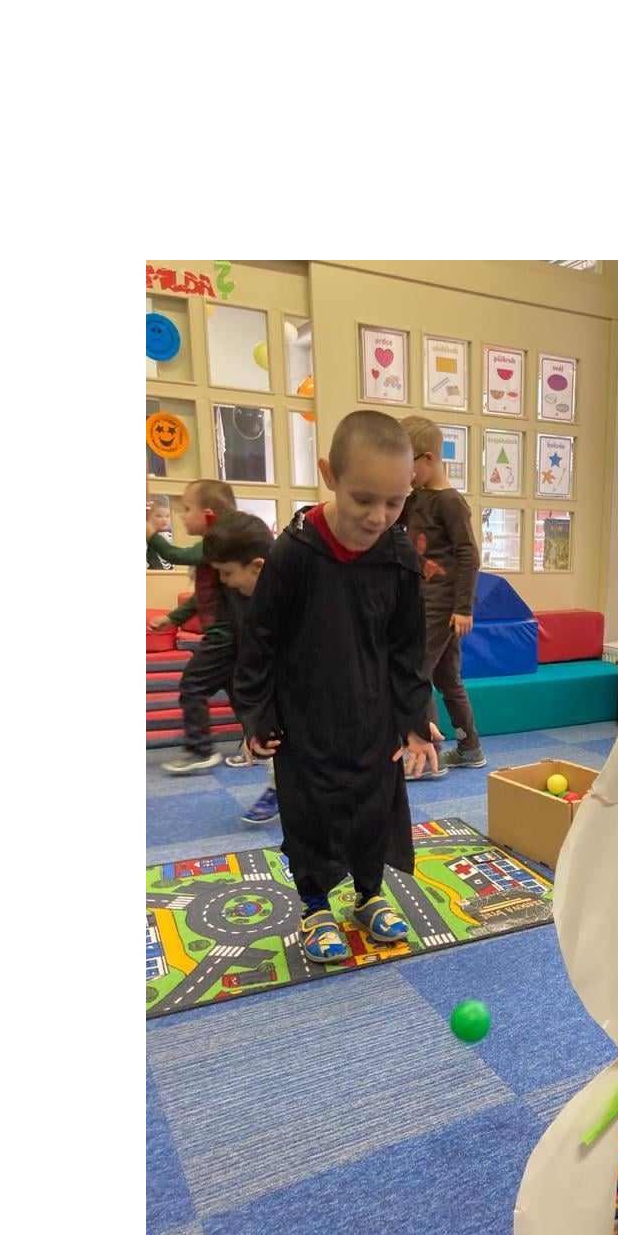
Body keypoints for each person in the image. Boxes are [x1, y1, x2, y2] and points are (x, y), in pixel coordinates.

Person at [234, 410, 439, 963]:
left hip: (373, 715)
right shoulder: (294, 553)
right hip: (304, 717)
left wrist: (413, 720)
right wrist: (256, 715)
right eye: (363, 499)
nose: (378, 517)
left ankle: (369, 893)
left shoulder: (398, 555)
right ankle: (315, 904)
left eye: (394, 502)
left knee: (375, 806)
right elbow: (259, 641)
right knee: (312, 811)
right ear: (329, 475)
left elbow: (408, 648)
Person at [398, 416, 485, 778]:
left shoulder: (450, 502)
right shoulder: (416, 498)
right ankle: (470, 747)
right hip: (423, 599)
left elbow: (469, 555)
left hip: (441, 604)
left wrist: (463, 608)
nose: (405, 475)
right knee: (447, 678)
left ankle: (427, 755)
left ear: (429, 459)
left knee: (417, 672)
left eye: (408, 466)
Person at [146, 479, 240, 774]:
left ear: (209, 514)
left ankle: (201, 750)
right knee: (240, 692)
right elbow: (202, 596)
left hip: (223, 636)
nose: (182, 516)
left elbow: (175, 555)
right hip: (229, 636)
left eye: (187, 509)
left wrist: (152, 535)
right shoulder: (214, 550)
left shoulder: (216, 545)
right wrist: (172, 618)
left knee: (192, 684)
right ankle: (260, 742)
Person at [201, 510, 281, 824]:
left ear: (257, 567)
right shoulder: (240, 597)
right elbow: (249, 663)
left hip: (307, 696)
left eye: (227, 573)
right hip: (272, 695)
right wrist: (254, 723)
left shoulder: (293, 595)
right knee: (277, 751)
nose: (224, 581)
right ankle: (279, 788)